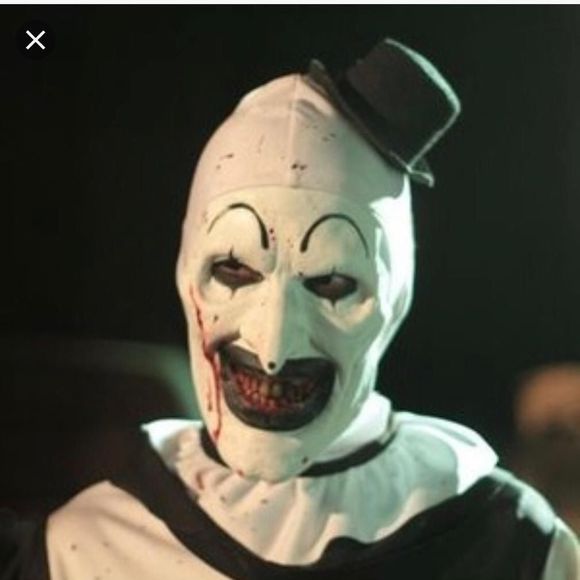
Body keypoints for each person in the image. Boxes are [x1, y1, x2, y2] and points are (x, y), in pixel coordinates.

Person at [3, 38, 579, 580]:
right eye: (235, 270)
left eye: (329, 283)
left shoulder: (509, 548)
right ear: (187, 270)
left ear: (393, 296)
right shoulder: (79, 552)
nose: (274, 346)